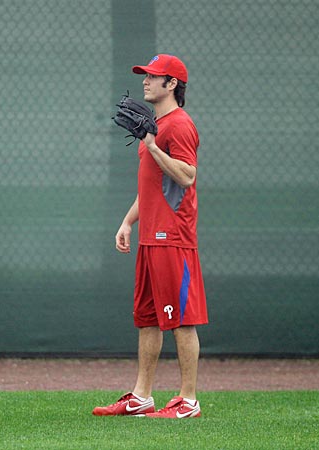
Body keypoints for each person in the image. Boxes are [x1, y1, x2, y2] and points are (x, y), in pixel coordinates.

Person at [93, 54, 208, 419]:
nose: (145, 80)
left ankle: (188, 400)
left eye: (154, 76)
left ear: (172, 84)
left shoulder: (180, 125)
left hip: (173, 237)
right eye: (145, 75)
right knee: (147, 319)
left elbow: (187, 176)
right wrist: (128, 222)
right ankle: (142, 396)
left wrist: (155, 145)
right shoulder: (154, 127)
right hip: (150, 238)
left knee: (181, 320)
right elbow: (151, 187)